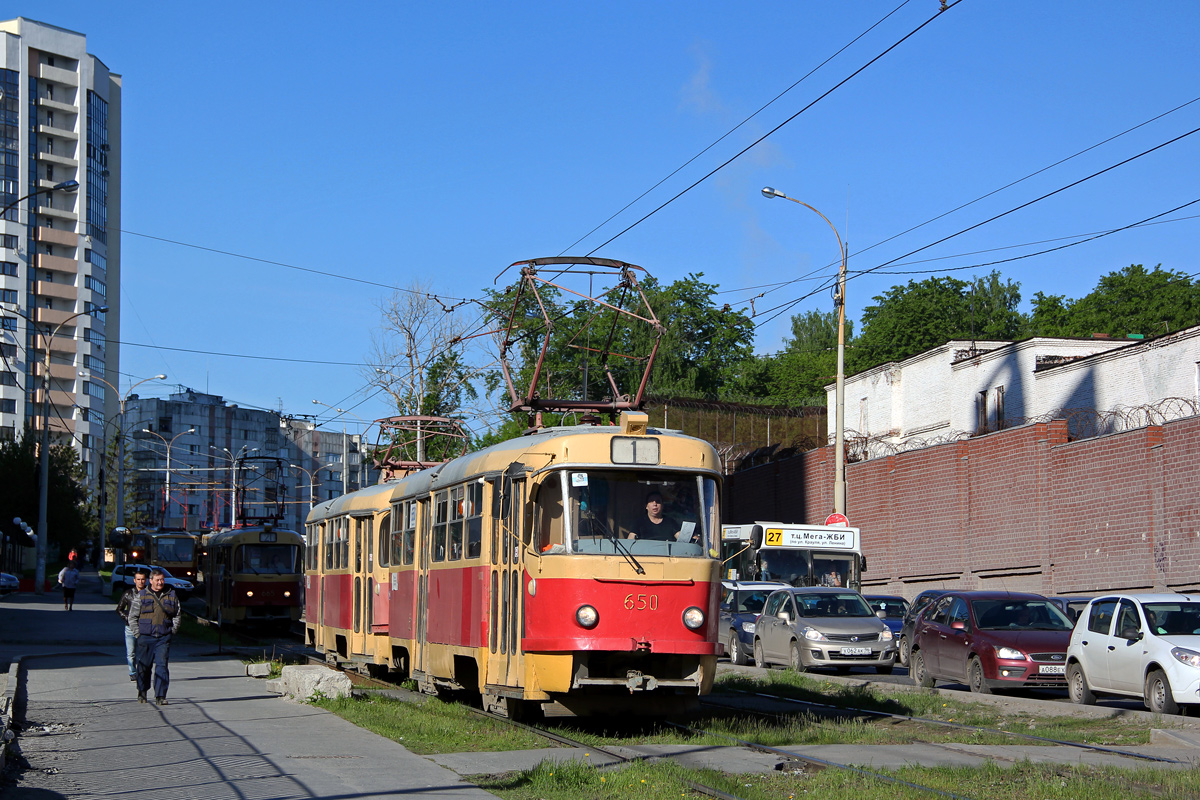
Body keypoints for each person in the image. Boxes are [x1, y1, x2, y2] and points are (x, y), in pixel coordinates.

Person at [128, 567, 182, 705]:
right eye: (157, 580)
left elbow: (177, 615)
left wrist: (172, 631)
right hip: (145, 637)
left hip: (163, 638)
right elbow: (132, 617)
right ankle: (142, 691)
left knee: (162, 666)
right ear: (151, 581)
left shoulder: (171, 595)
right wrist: (138, 634)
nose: (160, 582)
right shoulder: (141, 595)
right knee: (144, 667)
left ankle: (160, 696)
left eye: (162, 580)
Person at [116, 568, 148, 681]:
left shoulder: (149, 594)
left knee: (144, 652)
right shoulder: (128, 594)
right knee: (131, 653)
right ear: (134, 580)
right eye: (138, 579)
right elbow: (119, 609)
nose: (140, 581)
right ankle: (133, 672)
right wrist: (128, 619)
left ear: (146, 580)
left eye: (142, 579)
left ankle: (143, 671)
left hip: (145, 628)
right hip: (130, 627)